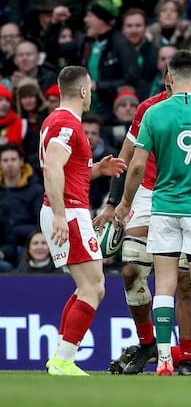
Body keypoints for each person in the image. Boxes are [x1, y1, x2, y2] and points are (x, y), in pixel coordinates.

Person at [115, 50, 191, 377]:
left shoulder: (155, 114)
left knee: (165, 284)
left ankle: (166, 360)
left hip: (163, 206)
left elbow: (137, 164)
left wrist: (125, 202)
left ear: (169, 77)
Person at [40, 66, 126, 375]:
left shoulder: (56, 120)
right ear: (83, 91)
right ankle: (64, 360)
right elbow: (52, 167)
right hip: (69, 211)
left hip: (68, 209)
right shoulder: (66, 123)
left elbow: (65, 169)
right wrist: (62, 215)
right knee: (93, 288)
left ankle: (60, 357)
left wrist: (97, 170)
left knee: (87, 288)